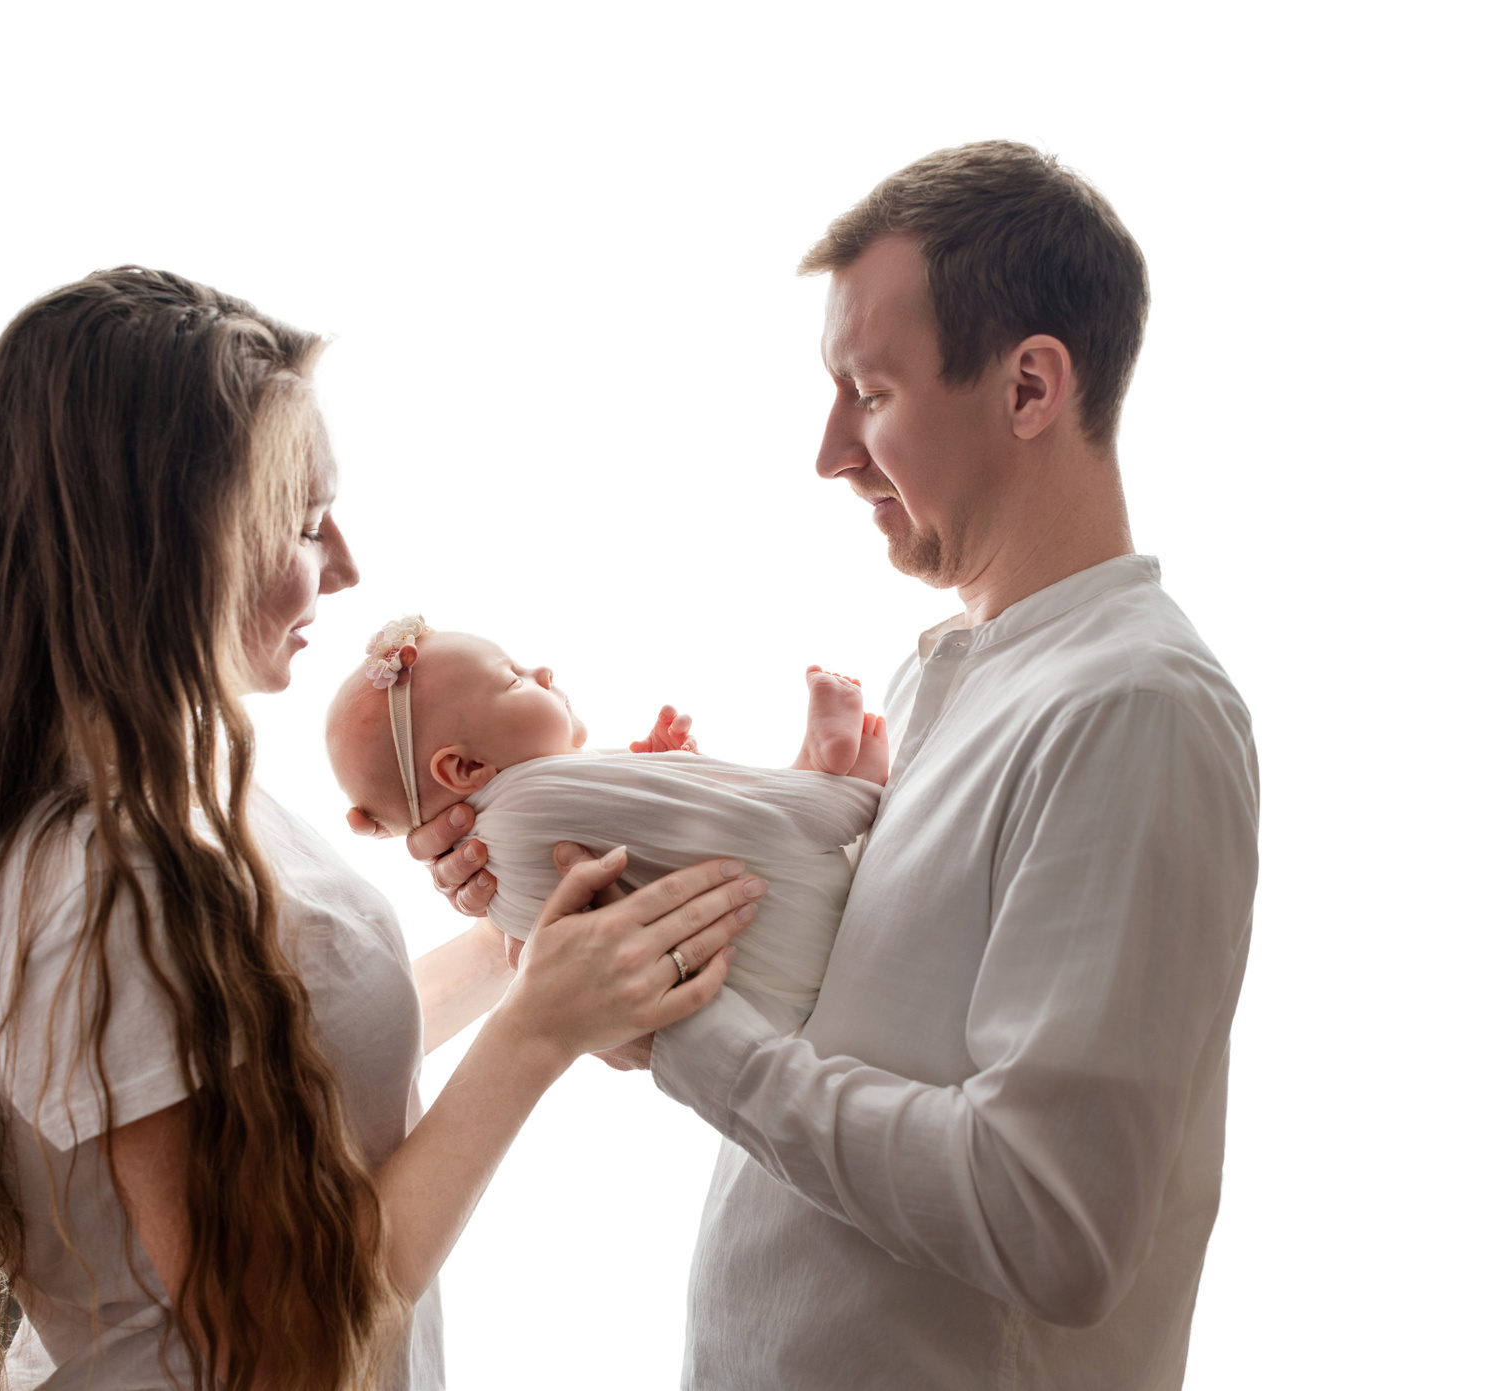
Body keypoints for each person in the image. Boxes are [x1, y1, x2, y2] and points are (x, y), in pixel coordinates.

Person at [0, 268, 761, 1391]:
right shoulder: (99, 879)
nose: (345, 567)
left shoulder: (179, 788)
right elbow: (279, 1348)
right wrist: (537, 1033)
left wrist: (520, 951)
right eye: (303, 525)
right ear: (173, 547)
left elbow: (292, 1062)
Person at [404, 142, 1260, 1388]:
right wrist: (538, 884)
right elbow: (845, 1034)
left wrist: (688, 1038)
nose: (830, 451)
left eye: (870, 391)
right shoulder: (951, 676)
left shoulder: (1132, 711)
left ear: (1029, 387)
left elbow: (1049, 1221)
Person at [326, 623, 885, 1030]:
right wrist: (681, 775)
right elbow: (721, 818)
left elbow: (657, 850)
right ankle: (827, 774)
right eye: (514, 680)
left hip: (768, 998)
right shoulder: (532, 798)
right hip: (800, 910)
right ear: (467, 768)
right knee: (781, 821)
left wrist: (666, 769)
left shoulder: (494, 876)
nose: (543, 672)